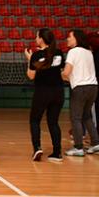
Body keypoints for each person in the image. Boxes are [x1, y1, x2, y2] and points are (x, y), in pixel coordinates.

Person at [24, 28, 64, 162]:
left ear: (41, 39)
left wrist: (29, 60)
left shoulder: (36, 55)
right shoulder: (58, 53)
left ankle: (37, 148)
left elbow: (31, 75)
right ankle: (57, 153)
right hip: (58, 92)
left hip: (43, 92)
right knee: (53, 122)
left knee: (34, 120)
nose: (35, 39)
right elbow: (61, 71)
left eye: (37, 37)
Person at [61, 29, 99, 156]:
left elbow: (66, 73)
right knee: (87, 116)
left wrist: (60, 74)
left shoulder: (73, 52)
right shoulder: (89, 52)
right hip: (93, 87)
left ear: (76, 38)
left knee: (76, 117)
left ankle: (78, 147)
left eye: (69, 36)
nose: (67, 39)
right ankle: (96, 143)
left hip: (80, 88)